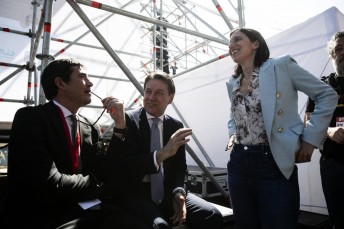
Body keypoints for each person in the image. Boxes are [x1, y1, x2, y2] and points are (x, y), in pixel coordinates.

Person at [5, 58, 149, 229]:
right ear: (60, 83)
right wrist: (97, 182)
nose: (91, 82)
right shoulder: (30, 118)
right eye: (82, 77)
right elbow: (50, 183)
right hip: (43, 214)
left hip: (88, 207)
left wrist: (120, 127)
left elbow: (108, 171)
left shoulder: (90, 126)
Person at [225, 28, 337, 229]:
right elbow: (233, 114)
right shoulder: (232, 82)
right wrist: (233, 133)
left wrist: (310, 139)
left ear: (255, 44)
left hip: (273, 161)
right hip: (238, 163)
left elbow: (327, 95)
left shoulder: (281, 66)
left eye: (237, 39)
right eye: (229, 41)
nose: (231, 44)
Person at [105, 71, 223, 229]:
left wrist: (179, 193)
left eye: (159, 93)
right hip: (136, 193)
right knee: (161, 226)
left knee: (211, 215)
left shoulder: (175, 126)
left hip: (167, 192)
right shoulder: (128, 121)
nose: (151, 97)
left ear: (171, 98)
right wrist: (161, 154)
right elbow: (125, 166)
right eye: (148, 91)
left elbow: (179, 168)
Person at [304, 31, 344, 228]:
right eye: (339, 48)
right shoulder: (320, 86)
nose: (343, 52)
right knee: (339, 217)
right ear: (332, 55)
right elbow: (308, 120)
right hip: (333, 163)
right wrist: (328, 131)